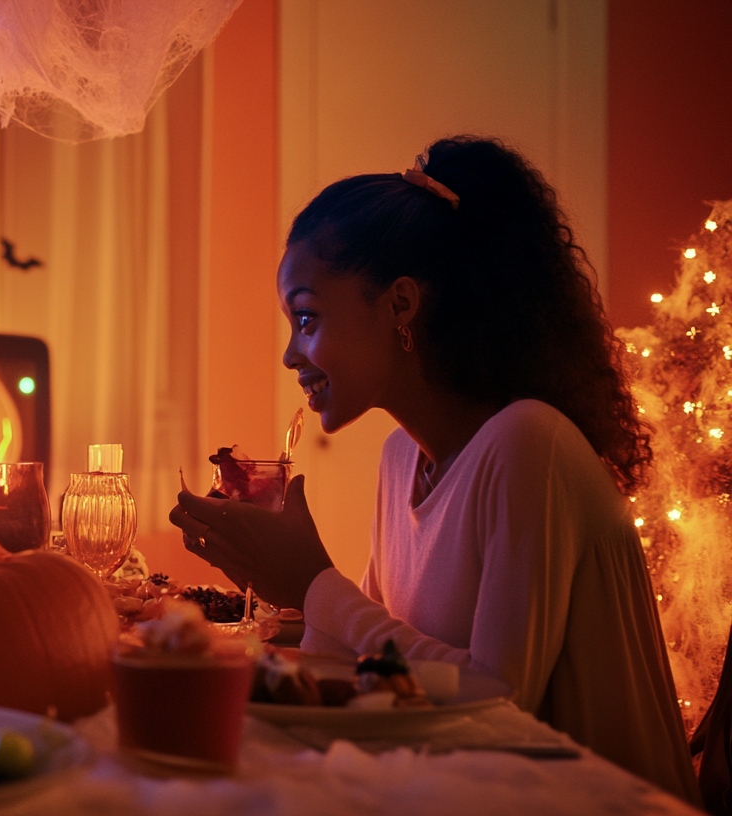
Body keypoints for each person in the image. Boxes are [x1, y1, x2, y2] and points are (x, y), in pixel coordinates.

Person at [170, 137, 699, 801]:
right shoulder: (402, 459)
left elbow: (498, 704)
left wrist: (311, 581)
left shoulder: (528, 444)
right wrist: (265, 589)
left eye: (306, 318)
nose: (289, 354)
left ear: (399, 305)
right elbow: (376, 667)